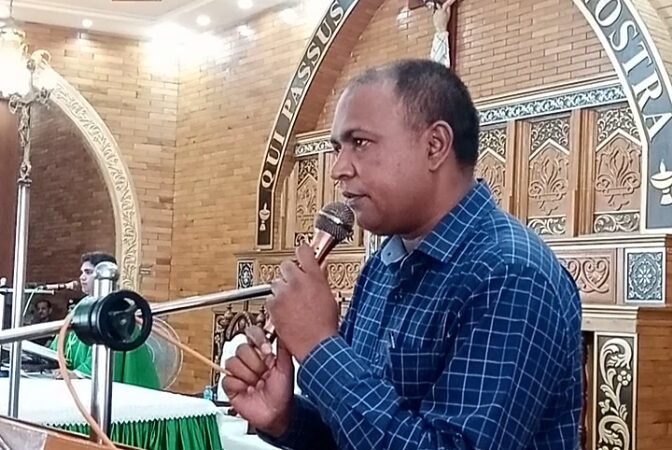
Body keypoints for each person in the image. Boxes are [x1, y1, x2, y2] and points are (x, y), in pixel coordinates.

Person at [222, 59, 583, 450]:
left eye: (360, 142)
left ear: (434, 146)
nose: (338, 169)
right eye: (338, 148)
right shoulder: (382, 267)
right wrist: (285, 418)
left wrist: (319, 346)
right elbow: (357, 435)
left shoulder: (511, 274)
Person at [50, 251, 160, 390]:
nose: (82, 277)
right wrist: (50, 359)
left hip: (107, 387)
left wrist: (78, 373)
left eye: (88, 272)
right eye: (82, 272)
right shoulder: (83, 304)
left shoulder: (116, 308)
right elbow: (61, 341)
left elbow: (113, 352)